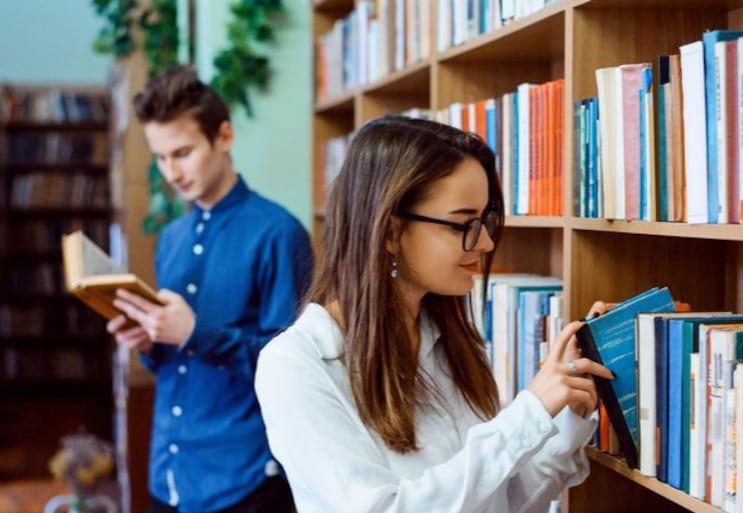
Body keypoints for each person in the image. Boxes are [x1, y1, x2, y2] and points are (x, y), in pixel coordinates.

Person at [255, 115, 613, 513]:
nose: (486, 241)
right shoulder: (294, 364)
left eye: (486, 220)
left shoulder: (448, 344)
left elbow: (502, 503)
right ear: (390, 233)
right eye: (464, 224)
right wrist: (528, 413)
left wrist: (569, 414)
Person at [107, 65, 314, 513]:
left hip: (245, 481)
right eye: (160, 157)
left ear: (224, 136)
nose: (171, 173)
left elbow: (297, 372)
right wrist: (149, 340)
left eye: (182, 152)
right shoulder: (172, 238)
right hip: (168, 473)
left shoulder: (279, 234)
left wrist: (193, 332)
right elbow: (172, 361)